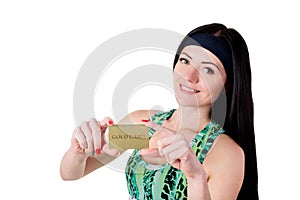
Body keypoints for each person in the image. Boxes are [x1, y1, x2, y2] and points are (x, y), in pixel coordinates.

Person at [60, 23, 258, 200]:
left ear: (228, 85)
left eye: (208, 70)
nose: (189, 76)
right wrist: (79, 150)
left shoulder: (226, 153)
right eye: (185, 61)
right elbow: (71, 174)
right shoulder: (143, 126)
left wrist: (196, 177)